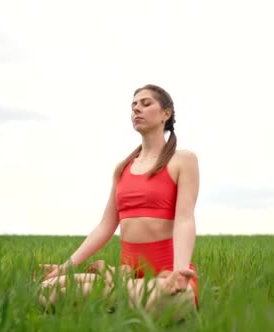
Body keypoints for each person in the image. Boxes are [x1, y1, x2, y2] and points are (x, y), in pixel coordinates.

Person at [37, 84, 200, 319]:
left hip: (166, 278)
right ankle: (119, 292)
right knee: (46, 290)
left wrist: (178, 273)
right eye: (133, 106)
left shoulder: (183, 160)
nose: (137, 110)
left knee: (170, 299)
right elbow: (105, 227)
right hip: (131, 278)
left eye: (145, 104)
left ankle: (112, 293)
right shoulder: (123, 168)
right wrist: (65, 268)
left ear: (166, 113)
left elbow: (184, 219)